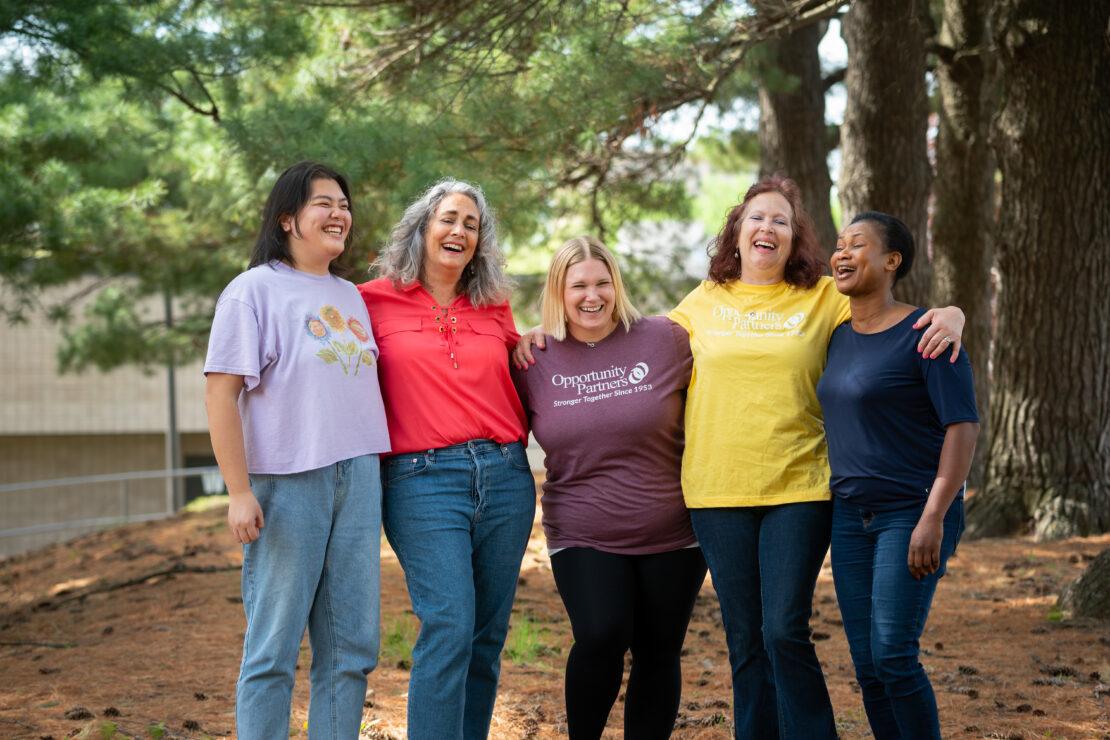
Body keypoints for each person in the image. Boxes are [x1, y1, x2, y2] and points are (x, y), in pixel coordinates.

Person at [517, 176, 966, 738]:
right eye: (756, 218)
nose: (767, 228)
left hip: (799, 488)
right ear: (736, 232)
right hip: (715, 493)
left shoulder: (824, 297)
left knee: (783, 629)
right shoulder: (702, 302)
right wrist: (541, 334)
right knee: (744, 639)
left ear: (794, 237)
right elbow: (617, 336)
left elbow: (887, 315)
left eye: (781, 220)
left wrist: (950, 313)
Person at [204, 161, 390, 739]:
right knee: (274, 647)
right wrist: (238, 492)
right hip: (288, 483)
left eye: (345, 204)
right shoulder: (252, 290)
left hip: (358, 477)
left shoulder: (351, 296)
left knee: (352, 646)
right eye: (324, 203)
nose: (340, 214)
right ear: (288, 219)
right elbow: (220, 393)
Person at [358, 179, 535, 740]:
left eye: (471, 224)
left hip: (506, 475)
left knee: (486, 634)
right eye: (449, 219)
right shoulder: (370, 300)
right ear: (422, 227)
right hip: (421, 480)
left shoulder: (495, 305)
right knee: (450, 622)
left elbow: (522, 366)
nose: (459, 230)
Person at [512, 236, 707, 739]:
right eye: (578, 285)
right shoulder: (533, 360)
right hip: (582, 527)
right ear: (559, 291)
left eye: (602, 283)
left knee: (658, 650)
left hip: (673, 527)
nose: (591, 296)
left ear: (616, 286)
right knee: (601, 633)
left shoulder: (666, 338)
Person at [818, 211, 979, 739]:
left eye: (857, 244)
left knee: (893, 654)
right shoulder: (837, 336)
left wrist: (934, 515)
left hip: (911, 512)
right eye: (839, 244)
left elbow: (962, 427)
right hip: (848, 518)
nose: (841, 253)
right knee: (867, 666)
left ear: (892, 261)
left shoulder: (927, 333)